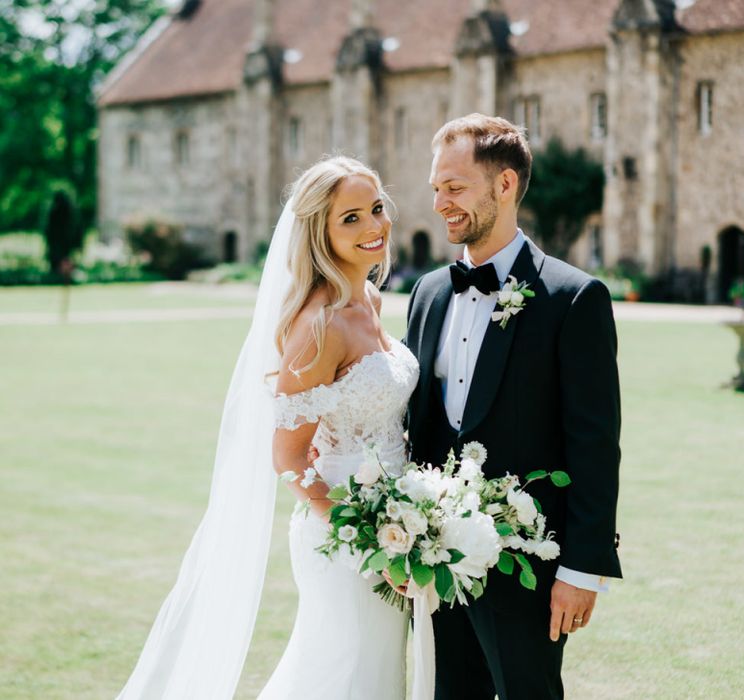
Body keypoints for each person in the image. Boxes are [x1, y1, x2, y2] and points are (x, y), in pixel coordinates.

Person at [116, 156, 418, 699]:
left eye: (376, 209)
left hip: (398, 527)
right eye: (350, 218)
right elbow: (289, 461)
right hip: (346, 537)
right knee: (337, 672)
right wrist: (376, 540)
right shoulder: (318, 326)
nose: (373, 227)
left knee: (376, 674)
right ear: (319, 232)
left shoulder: (370, 301)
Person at [404, 113, 623, 699]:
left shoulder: (574, 298)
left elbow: (595, 445)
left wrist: (582, 570)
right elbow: (420, 428)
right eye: (436, 189)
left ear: (504, 186)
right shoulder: (427, 293)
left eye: (455, 188)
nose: (441, 203)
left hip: (529, 567)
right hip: (435, 561)